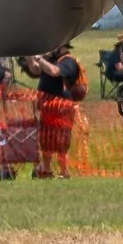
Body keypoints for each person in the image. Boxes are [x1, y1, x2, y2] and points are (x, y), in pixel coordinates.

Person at [25, 45, 86, 178]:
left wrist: (39, 58)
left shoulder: (68, 61)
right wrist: (29, 56)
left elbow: (54, 71)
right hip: (48, 107)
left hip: (62, 107)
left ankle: (64, 172)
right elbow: (36, 70)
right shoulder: (51, 59)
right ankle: (46, 171)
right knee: (46, 140)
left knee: (61, 141)